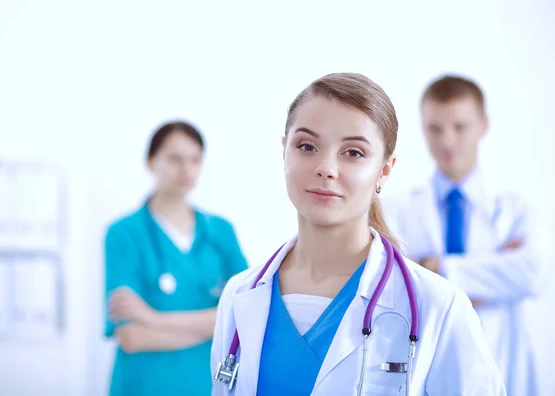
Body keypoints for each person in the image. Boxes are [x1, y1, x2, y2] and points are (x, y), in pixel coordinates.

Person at [210, 73, 505, 395]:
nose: (326, 168)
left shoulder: (437, 306)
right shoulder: (241, 295)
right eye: (306, 146)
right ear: (284, 152)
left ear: (385, 170)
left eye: (353, 153)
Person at [381, 75, 546, 396]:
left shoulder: (516, 208)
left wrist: (434, 268)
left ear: (484, 125)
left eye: (460, 127)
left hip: (503, 365)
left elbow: (533, 274)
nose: (447, 141)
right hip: (427, 368)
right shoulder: (397, 209)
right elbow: (396, 287)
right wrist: (494, 272)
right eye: (435, 128)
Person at [104, 121, 249, 396]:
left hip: (206, 386)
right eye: (175, 159)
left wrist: (153, 318)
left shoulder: (220, 232)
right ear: (150, 162)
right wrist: (214, 324)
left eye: (195, 159)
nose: (187, 169)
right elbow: (132, 337)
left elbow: (245, 315)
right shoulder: (123, 234)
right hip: (143, 386)